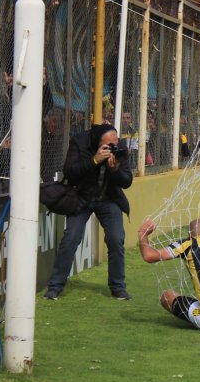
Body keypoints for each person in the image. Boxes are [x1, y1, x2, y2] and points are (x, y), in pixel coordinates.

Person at [44, 124, 133, 300]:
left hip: (109, 198)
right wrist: (95, 160)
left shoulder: (120, 146)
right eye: (109, 145)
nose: (114, 146)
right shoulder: (79, 142)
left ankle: (118, 287)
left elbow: (127, 181)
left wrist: (114, 170)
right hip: (81, 198)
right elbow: (70, 171)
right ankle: (55, 287)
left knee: (116, 239)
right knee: (71, 238)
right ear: (98, 143)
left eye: (115, 142)